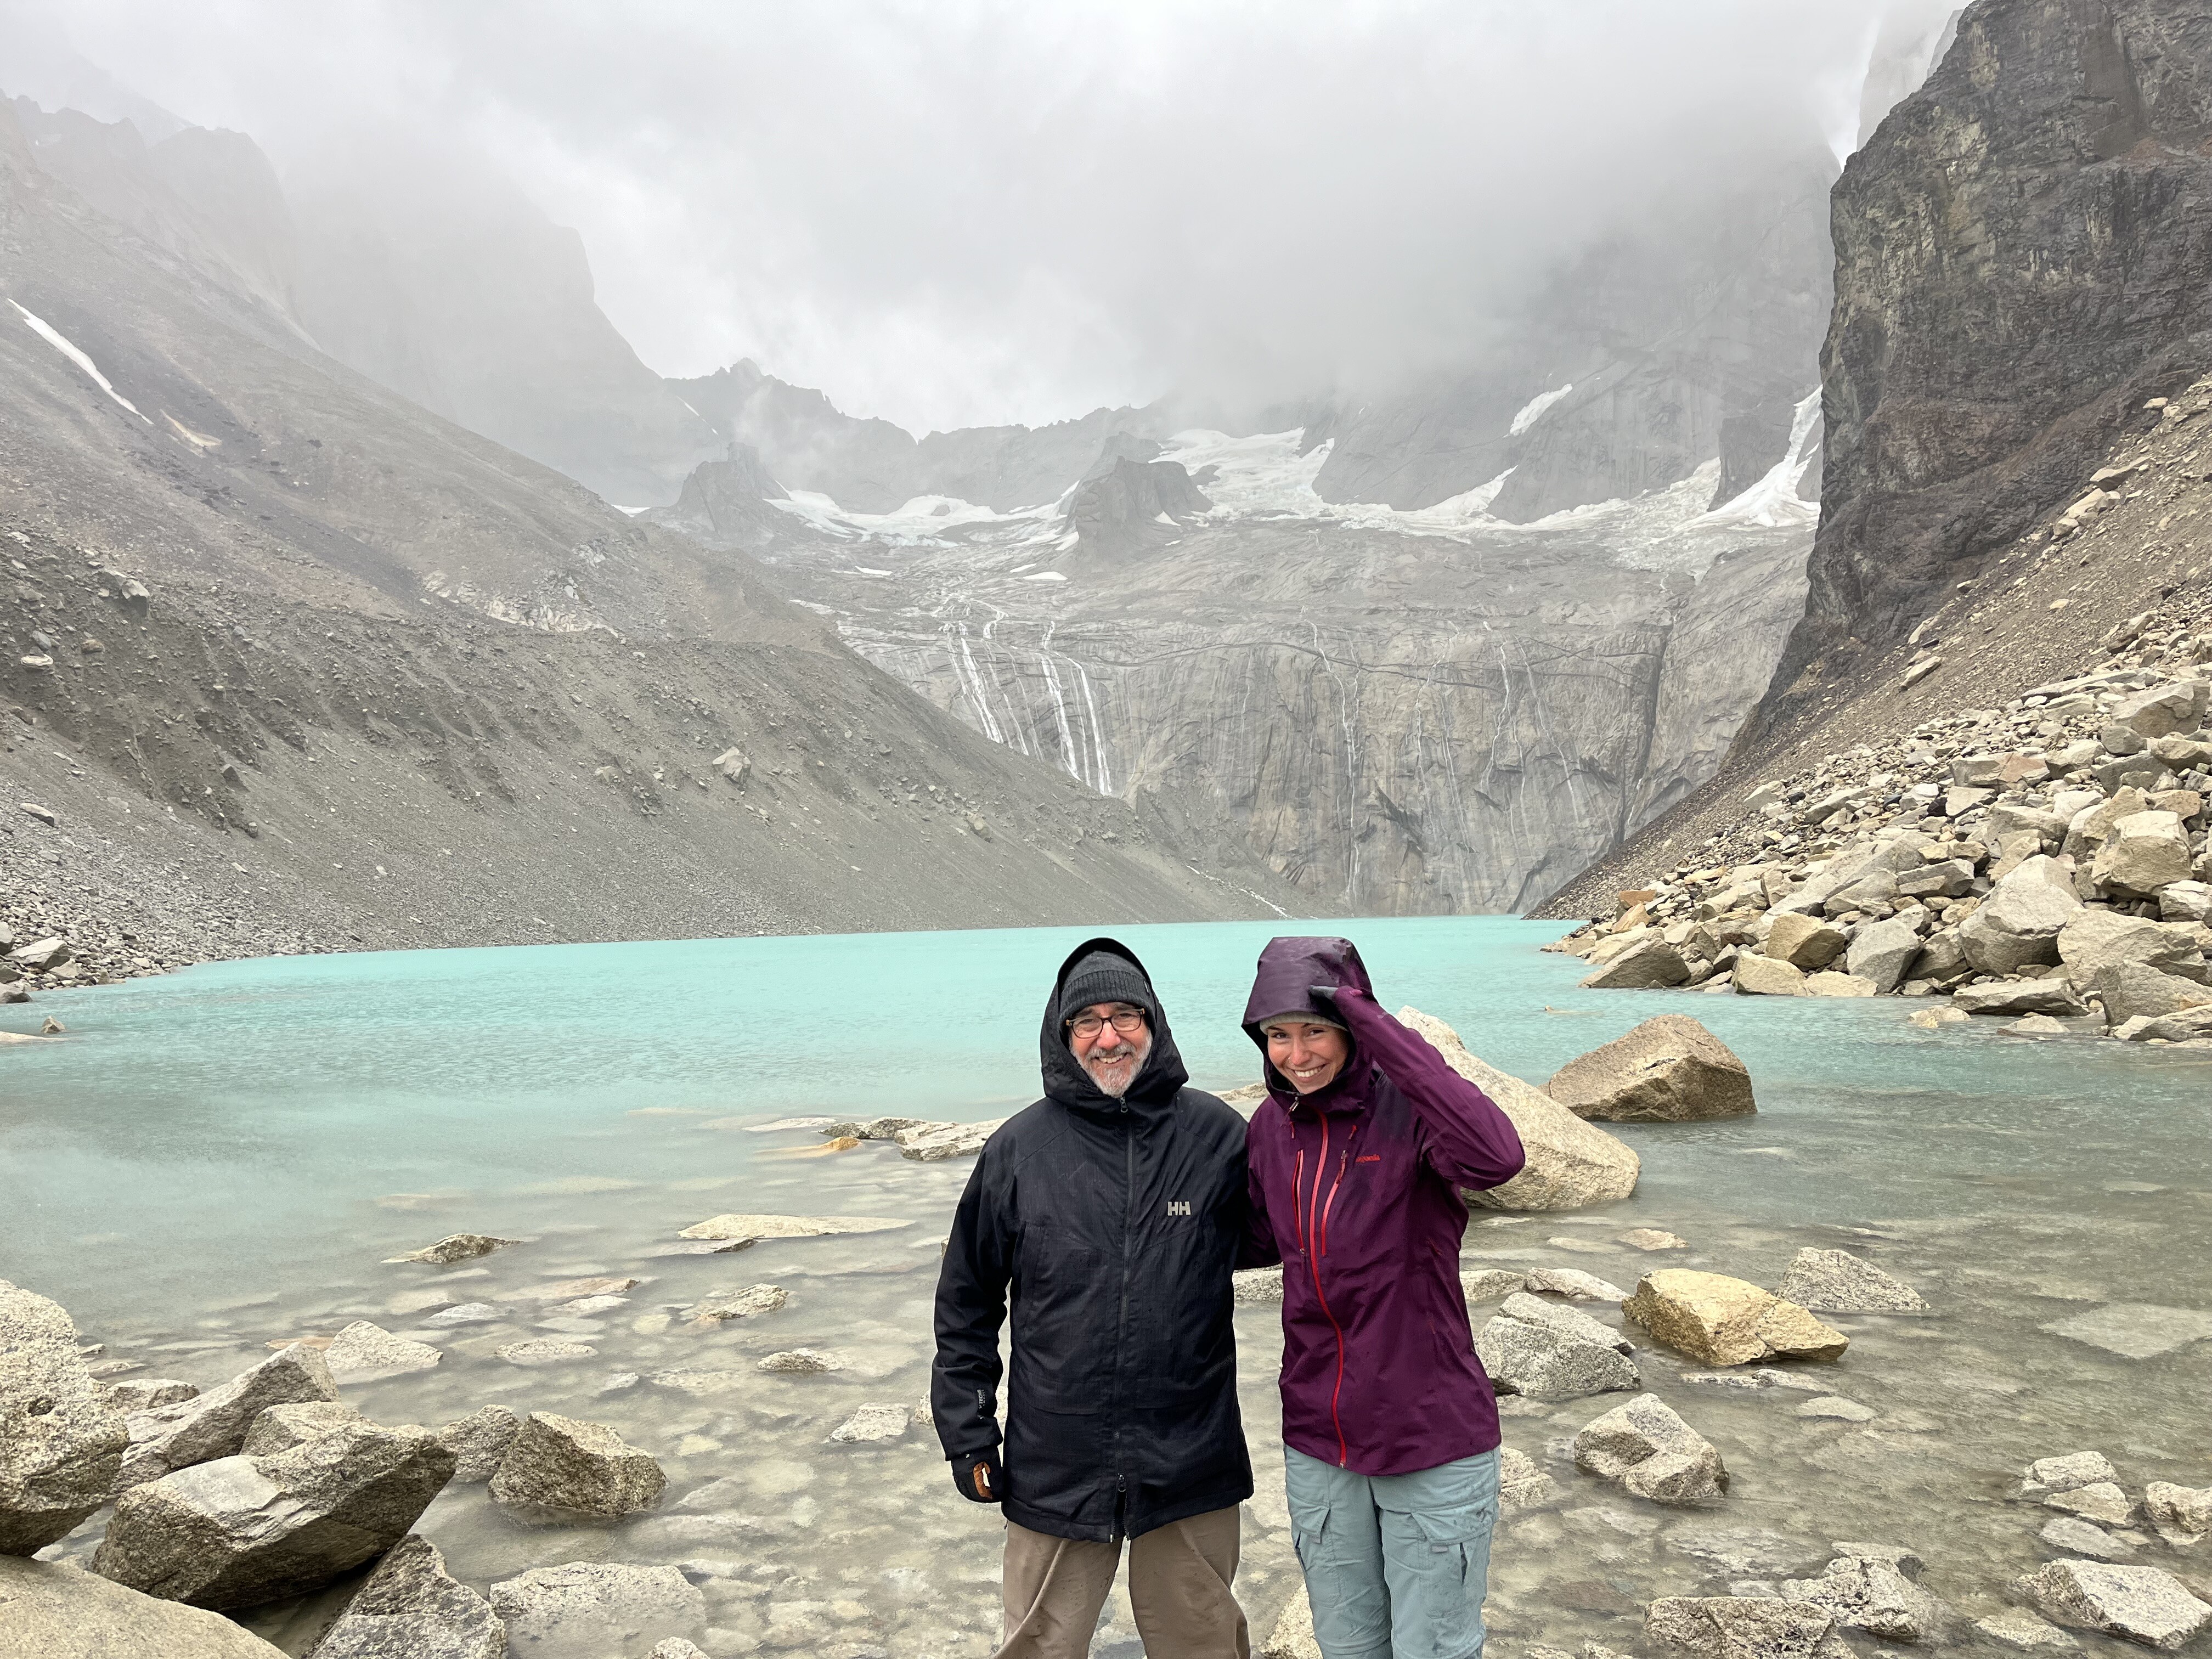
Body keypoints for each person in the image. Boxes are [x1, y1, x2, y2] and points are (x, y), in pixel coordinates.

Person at [934, 936, 1254, 1658]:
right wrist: (969, 1434)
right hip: (1056, 1460)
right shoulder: (1019, 1151)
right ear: (1062, 1034)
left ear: (1155, 1024)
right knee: (1038, 1645)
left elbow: (1305, 1237)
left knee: (1205, 1641)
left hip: (1191, 1456)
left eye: (1125, 1017)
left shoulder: (1215, 1137)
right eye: (1088, 1021)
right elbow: (967, 1305)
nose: (1108, 1036)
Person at [1239, 936, 1526, 1659]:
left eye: (1316, 1031)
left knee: (1433, 1647)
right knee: (1348, 1643)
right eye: (1277, 1035)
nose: (1296, 1055)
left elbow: (1500, 1158)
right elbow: (1246, 1241)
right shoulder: (1272, 1130)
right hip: (1319, 1441)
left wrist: (1378, 1027)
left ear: (1354, 1032)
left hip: (1431, 1436)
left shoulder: (1413, 1115)